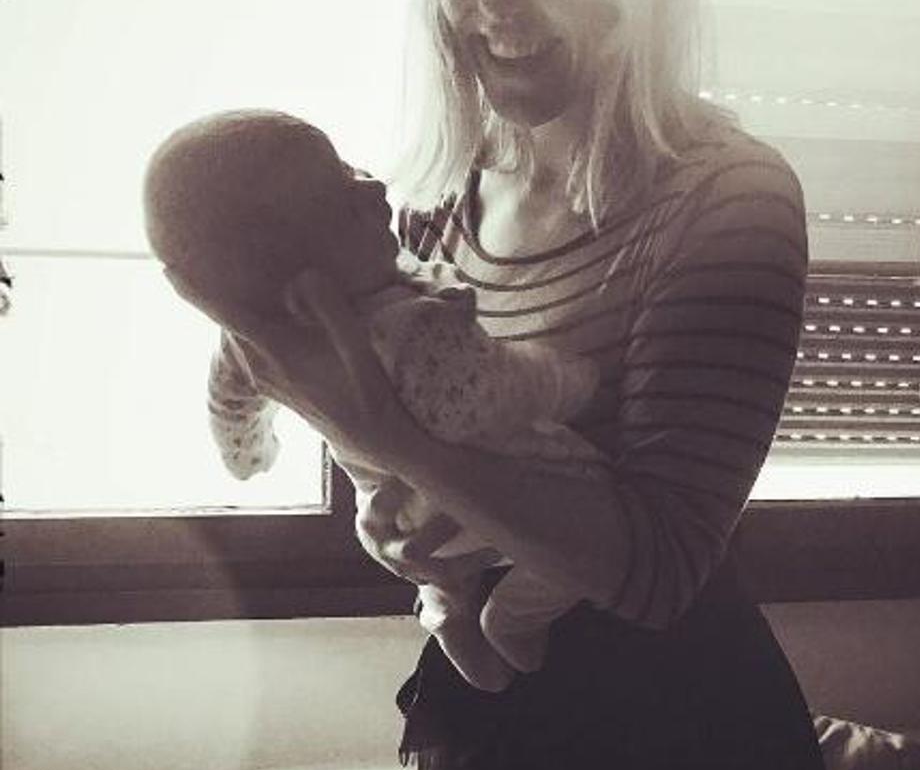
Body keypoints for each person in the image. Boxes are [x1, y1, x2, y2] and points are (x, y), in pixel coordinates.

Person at [173, 0, 829, 770]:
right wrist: (401, 532)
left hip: (676, 733)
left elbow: (660, 572)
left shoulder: (726, 200)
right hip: (485, 713)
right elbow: (423, 460)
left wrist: (397, 445)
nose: (495, 2)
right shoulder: (429, 198)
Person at [143, 109, 607, 692]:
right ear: (302, 277)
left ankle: (445, 613)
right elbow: (493, 397)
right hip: (491, 491)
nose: (374, 187)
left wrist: (251, 454)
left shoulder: (254, 344)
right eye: (344, 201)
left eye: (349, 167)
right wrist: (569, 381)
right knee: (592, 523)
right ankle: (513, 618)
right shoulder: (413, 330)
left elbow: (229, 408)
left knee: (443, 567)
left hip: (401, 516)